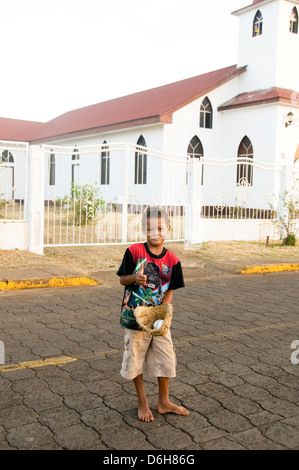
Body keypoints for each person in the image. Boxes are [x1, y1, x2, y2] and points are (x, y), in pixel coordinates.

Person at [117, 205, 189, 422]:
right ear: (143, 230)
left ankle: (164, 401)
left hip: (158, 321)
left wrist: (163, 314)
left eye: (160, 228)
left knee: (167, 358)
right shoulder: (133, 252)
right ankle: (142, 400)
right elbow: (122, 279)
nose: (155, 233)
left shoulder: (174, 261)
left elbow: (169, 292)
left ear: (168, 229)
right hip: (135, 319)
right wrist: (134, 278)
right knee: (135, 359)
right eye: (150, 229)